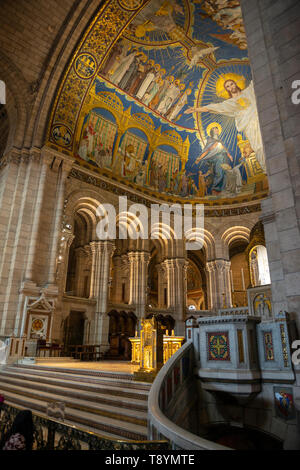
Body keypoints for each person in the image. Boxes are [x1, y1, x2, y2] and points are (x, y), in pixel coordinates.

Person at [185, 73, 266, 171]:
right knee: (258, 146)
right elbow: (214, 107)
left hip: (261, 118)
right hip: (249, 126)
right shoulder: (230, 103)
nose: (231, 87)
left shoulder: (248, 91)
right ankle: (266, 167)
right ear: (227, 90)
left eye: (231, 84)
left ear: (235, 83)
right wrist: (195, 109)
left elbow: (257, 80)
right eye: (228, 86)